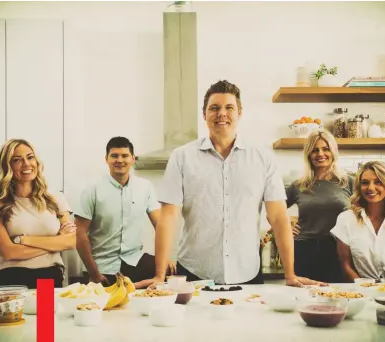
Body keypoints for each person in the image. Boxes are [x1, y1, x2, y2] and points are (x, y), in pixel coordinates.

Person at [139, 80, 325, 288]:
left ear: (240, 112)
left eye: (229, 107)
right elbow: (168, 218)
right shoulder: (181, 157)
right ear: (204, 114)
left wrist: (290, 273)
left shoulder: (263, 158)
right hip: (194, 272)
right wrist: (158, 275)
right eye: (214, 108)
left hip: (248, 273)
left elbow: (278, 217)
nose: (222, 114)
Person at [74, 137, 175, 287]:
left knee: (172, 273)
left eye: (124, 155)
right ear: (106, 159)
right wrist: (94, 273)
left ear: (133, 159)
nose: (119, 160)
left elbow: (161, 225)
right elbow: (79, 233)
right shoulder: (92, 190)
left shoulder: (145, 187)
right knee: (109, 306)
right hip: (102, 265)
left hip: (134, 260)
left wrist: (165, 258)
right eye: (114, 156)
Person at [0, 139, 76, 289]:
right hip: (7, 277)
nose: (26, 164)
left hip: (48, 277)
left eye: (30, 157)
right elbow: (9, 252)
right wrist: (55, 243)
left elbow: (70, 242)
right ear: (7, 166)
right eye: (17, 160)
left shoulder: (55, 198)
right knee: (10, 314)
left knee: (45, 313)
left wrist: (23, 239)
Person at [286, 131, 354, 283]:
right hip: (304, 251)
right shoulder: (299, 185)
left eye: (325, 149)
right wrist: (285, 226)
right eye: (315, 150)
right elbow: (274, 208)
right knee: (304, 301)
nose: (320, 154)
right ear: (308, 154)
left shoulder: (348, 182)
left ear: (333, 151)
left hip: (338, 251)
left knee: (338, 300)